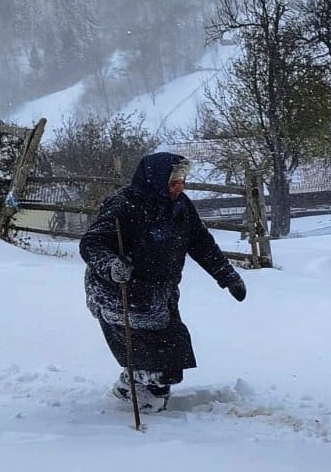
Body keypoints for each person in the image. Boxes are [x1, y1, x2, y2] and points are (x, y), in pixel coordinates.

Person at [80, 152, 246, 411]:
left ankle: (136, 388)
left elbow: (201, 243)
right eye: (173, 183)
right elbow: (92, 244)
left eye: (182, 181)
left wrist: (227, 276)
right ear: (155, 180)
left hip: (158, 292)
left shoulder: (180, 206)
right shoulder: (124, 204)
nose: (180, 187)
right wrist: (112, 265)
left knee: (169, 354)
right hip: (119, 293)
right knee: (160, 358)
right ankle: (145, 407)